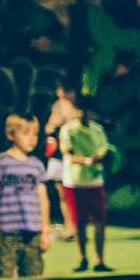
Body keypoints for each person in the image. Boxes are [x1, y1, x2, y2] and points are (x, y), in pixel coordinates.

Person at [0, 115, 51, 280]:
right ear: (11, 135)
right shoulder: (1, 161)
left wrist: (44, 231)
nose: (32, 139)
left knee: (33, 277)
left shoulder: (37, 164)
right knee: (2, 275)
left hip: (32, 233)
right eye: (26, 134)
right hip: (6, 233)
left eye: (35, 134)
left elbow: (43, 198)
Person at [59, 95, 112, 271]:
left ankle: (99, 260)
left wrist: (97, 159)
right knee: (79, 223)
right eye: (81, 110)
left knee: (100, 221)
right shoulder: (68, 130)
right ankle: (83, 259)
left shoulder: (98, 130)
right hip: (75, 183)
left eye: (88, 111)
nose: (84, 114)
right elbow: (68, 153)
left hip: (95, 182)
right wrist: (86, 161)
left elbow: (103, 151)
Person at [44, 80, 79, 240]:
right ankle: (70, 228)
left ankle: (77, 227)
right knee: (62, 194)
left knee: (74, 193)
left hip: (73, 156)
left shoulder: (78, 108)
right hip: (59, 156)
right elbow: (49, 128)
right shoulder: (57, 106)